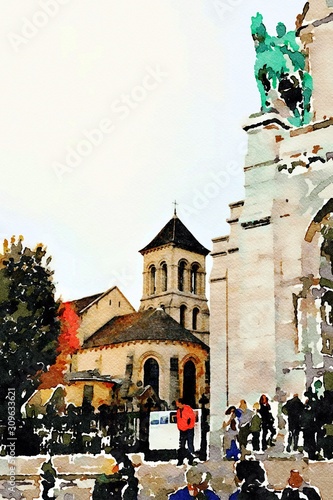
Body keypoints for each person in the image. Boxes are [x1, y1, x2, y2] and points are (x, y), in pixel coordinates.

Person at [175, 398, 197, 466]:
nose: (176, 404)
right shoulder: (178, 410)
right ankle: (181, 460)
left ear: (180, 403)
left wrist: (189, 426)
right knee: (182, 445)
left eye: (177, 403)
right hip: (182, 430)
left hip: (188, 429)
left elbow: (192, 418)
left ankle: (191, 460)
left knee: (190, 444)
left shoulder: (188, 408)